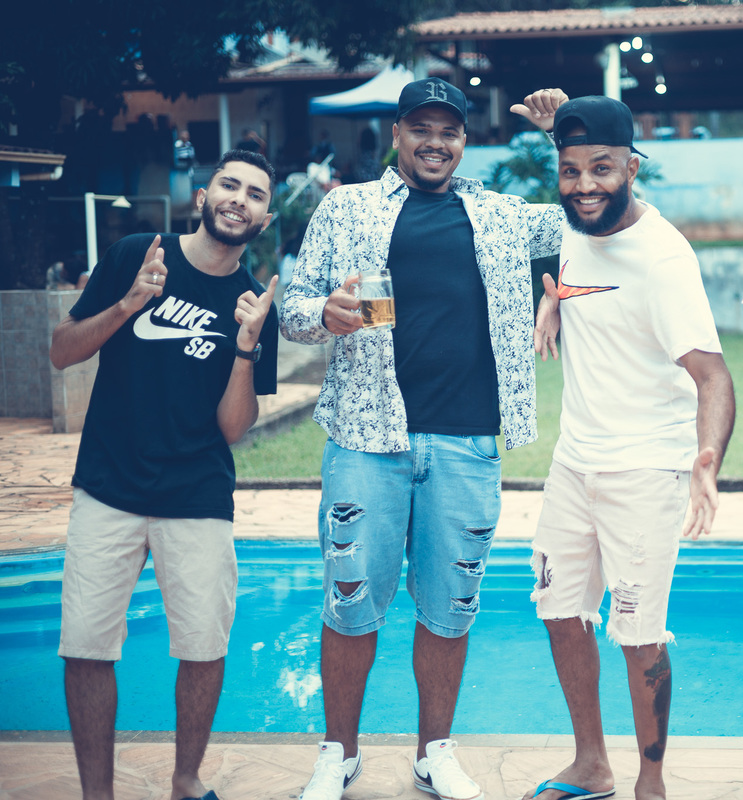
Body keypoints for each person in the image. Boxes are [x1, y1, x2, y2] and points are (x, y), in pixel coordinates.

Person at [279, 77, 565, 800]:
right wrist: (324, 315)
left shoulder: (500, 214)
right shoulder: (346, 207)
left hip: (467, 443)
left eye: (450, 131)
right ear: (398, 133)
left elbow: (598, 214)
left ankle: (434, 752)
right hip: (366, 439)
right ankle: (338, 754)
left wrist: (568, 134)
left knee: (450, 606)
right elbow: (294, 305)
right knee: (350, 602)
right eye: (422, 129)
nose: (435, 143)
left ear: (464, 140)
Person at [519, 94, 736, 800]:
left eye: (603, 169)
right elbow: (577, 212)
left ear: (633, 168)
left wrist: (708, 459)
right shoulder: (574, 223)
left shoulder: (663, 257)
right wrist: (553, 298)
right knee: (558, 610)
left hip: (646, 468)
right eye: (571, 169)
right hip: (574, 461)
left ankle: (651, 781)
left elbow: (713, 375)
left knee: (640, 635)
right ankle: (591, 763)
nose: (585, 185)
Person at [50, 149, 280, 800]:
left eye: (255, 194)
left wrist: (245, 348)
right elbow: (62, 351)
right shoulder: (136, 255)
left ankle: (185, 781)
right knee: (87, 646)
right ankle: (97, 794)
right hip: (109, 484)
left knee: (204, 645)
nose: (239, 199)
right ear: (203, 196)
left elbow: (233, 428)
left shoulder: (252, 303)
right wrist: (129, 304)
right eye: (230, 185)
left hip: (197, 493)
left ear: (264, 219)